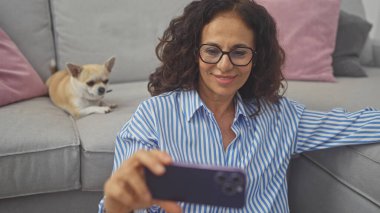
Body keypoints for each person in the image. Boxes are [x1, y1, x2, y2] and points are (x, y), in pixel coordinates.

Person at [98, 0, 380, 212]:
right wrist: (116, 203)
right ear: (192, 53)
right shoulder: (153, 117)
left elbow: (360, 124)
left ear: (257, 58)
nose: (224, 65)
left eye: (239, 52)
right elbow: (120, 200)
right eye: (211, 50)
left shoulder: (282, 117)